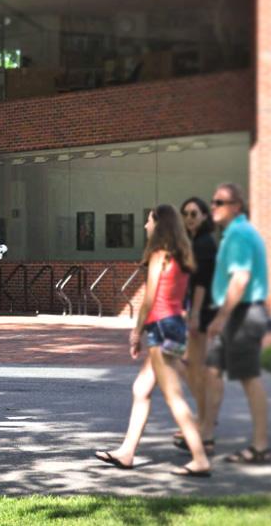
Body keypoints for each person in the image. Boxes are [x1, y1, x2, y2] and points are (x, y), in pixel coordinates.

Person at [94, 204, 212, 477]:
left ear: (159, 225)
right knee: (141, 388)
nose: (146, 226)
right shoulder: (182, 257)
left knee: (173, 396)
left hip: (160, 326)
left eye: (148, 222)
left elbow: (149, 298)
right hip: (174, 326)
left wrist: (137, 332)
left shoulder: (160, 255)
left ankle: (200, 457)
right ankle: (127, 452)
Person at [201, 183, 271, 464]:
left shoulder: (240, 234)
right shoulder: (234, 233)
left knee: (249, 378)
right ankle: (205, 436)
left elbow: (240, 279)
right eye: (213, 201)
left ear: (236, 207)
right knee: (212, 371)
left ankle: (260, 447)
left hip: (241, 314)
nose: (213, 207)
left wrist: (220, 318)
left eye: (220, 202)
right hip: (234, 313)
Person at [173, 197, 218, 456]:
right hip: (198, 309)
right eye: (186, 213)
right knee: (194, 366)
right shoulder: (194, 242)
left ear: (203, 216)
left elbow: (201, 282)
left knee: (195, 366)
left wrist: (196, 314)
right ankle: (202, 421)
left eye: (194, 213)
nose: (189, 217)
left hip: (204, 311)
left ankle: (203, 423)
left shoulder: (203, 244)